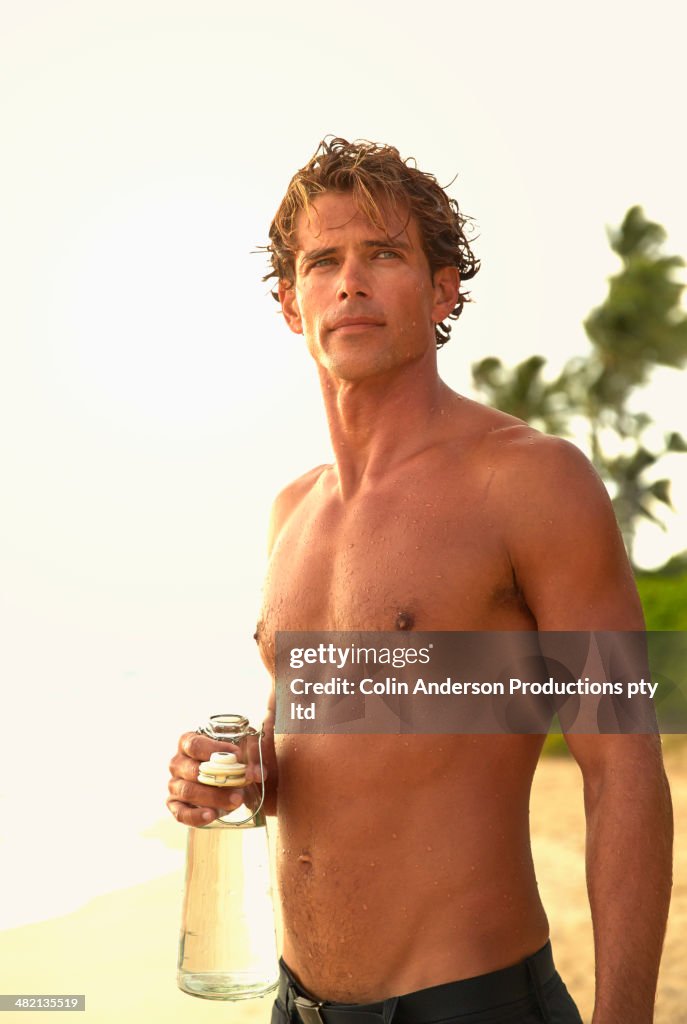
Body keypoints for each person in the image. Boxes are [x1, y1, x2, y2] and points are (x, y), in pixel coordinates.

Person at [167, 138, 673, 1023]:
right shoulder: (292, 513)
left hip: (469, 1004)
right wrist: (244, 777)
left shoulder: (528, 480)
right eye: (323, 261)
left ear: (441, 292)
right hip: (297, 1005)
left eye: (384, 255)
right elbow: (341, 755)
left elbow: (622, 764)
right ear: (290, 303)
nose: (350, 282)